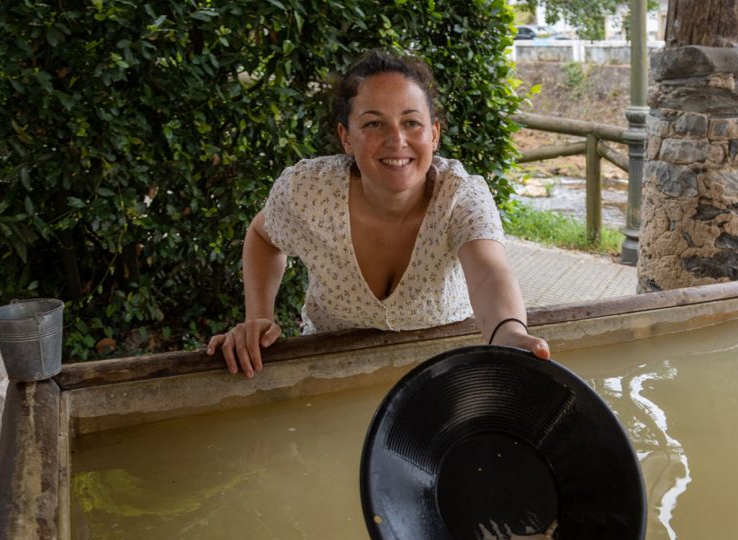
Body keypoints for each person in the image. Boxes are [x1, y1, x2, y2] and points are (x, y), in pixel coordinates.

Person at [207, 51, 550, 377]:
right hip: (329, 378)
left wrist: (508, 334)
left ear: (434, 134)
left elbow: (489, 272)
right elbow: (263, 236)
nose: (396, 139)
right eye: (373, 124)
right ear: (346, 137)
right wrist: (259, 317)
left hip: (443, 378)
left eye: (412, 122)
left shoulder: (460, 195)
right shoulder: (309, 190)